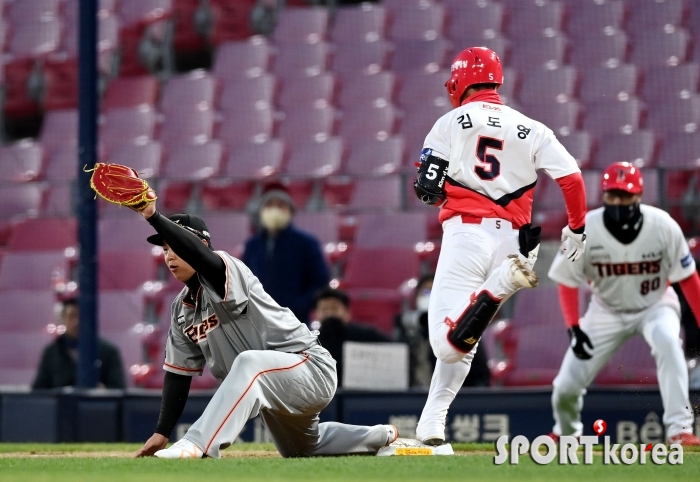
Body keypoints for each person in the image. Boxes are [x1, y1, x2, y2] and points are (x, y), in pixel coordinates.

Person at [413, 47, 588, 445]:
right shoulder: (532, 127)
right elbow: (573, 179)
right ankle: (432, 424)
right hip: (516, 241)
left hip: (467, 234)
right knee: (466, 334)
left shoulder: (449, 122)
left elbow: (427, 187)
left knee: (445, 343)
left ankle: (499, 286)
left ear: (459, 81)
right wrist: (577, 230)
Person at [132, 202, 397, 459]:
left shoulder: (226, 267)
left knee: (249, 361)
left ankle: (197, 444)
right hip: (272, 387)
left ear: (200, 246)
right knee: (302, 448)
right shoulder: (182, 309)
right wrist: (162, 431)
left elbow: (205, 261)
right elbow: (178, 374)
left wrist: (154, 216)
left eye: (175, 246)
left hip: (310, 367)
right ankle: (382, 436)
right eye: (165, 249)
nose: (169, 256)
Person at [548, 162, 700, 446]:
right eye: (612, 195)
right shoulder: (584, 227)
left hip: (655, 305)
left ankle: (680, 429)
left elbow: (688, 278)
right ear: (603, 195)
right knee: (566, 386)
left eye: (625, 196)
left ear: (639, 196)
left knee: (668, 342)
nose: (618, 202)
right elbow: (567, 279)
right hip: (605, 309)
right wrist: (573, 326)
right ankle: (565, 432)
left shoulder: (663, 225)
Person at [243, 183, 330, 324]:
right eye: (269, 205)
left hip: (295, 321)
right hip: (259, 322)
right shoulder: (252, 245)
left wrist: (299, 306)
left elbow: (320, 282)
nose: (274, 210)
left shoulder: (306, 243)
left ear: (290, 211)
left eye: (280, 205)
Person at [396, 274, 491, 388]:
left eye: (435, 292)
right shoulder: (409, 332)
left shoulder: (465, 332)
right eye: (426, 292)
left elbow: (480, 379)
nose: (429, 297)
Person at [32, 298, 126, 390]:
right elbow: (39, 390)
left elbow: (119, 389)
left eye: (82, 316)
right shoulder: (51, 352)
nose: (77, 322)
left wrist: (102, 390)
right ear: (63, 318)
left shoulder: (109, 352)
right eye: (72, 316)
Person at [314, 287, 392, 385]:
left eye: (334, 308)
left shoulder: (367, 336)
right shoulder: (310, 343)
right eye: (324, 310)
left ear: (347, 313)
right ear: (316, 315)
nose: (329, 314)